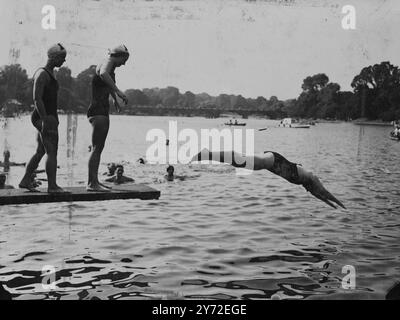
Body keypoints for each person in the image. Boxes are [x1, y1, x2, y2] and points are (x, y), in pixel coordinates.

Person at [191, 148, 345, 209]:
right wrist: (337, 203)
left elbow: (318, 194)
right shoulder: (311, 177)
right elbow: (323, 191)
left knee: (242, 163)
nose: (312, 190)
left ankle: (210, 154)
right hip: (275, 162)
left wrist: (332, 205)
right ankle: (208, 153)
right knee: (241, 161)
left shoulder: (306, 184)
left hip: (274, 163)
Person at [18, 43, 68, 193]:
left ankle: (25, 180)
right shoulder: (42, 74)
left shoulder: (51, 73)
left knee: (41, 151)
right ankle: (52, 186)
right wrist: (45, 119)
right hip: (44, 117)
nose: (64, 61)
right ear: (53, 57)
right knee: (52, 152)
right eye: (62, 58)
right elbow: (37, 99)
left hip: (48, 117)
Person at [87, 45, 129, 191]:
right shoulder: (108, 63)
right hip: (99, 111)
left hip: (99, 109)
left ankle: (94, 181)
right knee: (97, 148)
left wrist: (115, 99)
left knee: (98, 148)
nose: (124, 64)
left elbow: (107, 82)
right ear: (117, 56)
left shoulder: (108, 65)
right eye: (124, 60)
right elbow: (104, 74)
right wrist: (118, 91)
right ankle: (92, 184)